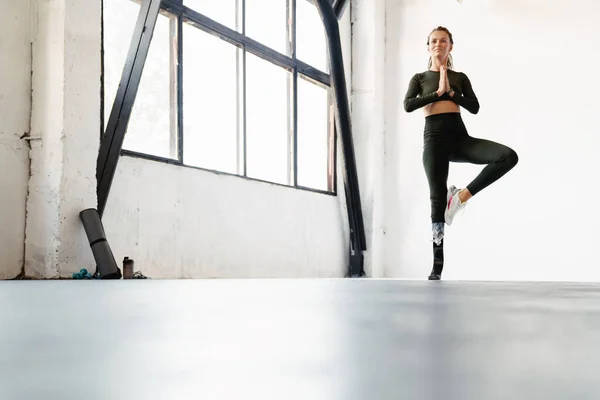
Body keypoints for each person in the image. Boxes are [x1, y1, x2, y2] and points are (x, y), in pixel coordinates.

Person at [403, 26, 518, 280]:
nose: (438, 44)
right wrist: (437, 93)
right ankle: (436, 269)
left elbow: (474, 107)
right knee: (435, 199)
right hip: (434, 141)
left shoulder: (460, 77)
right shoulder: (419, 78)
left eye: (443, 41)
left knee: (508, 156)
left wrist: (452, 93)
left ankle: (460, 198)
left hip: (460, 138)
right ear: (428, 46)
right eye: (434, 41)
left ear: (450, 46)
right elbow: (408, 105)